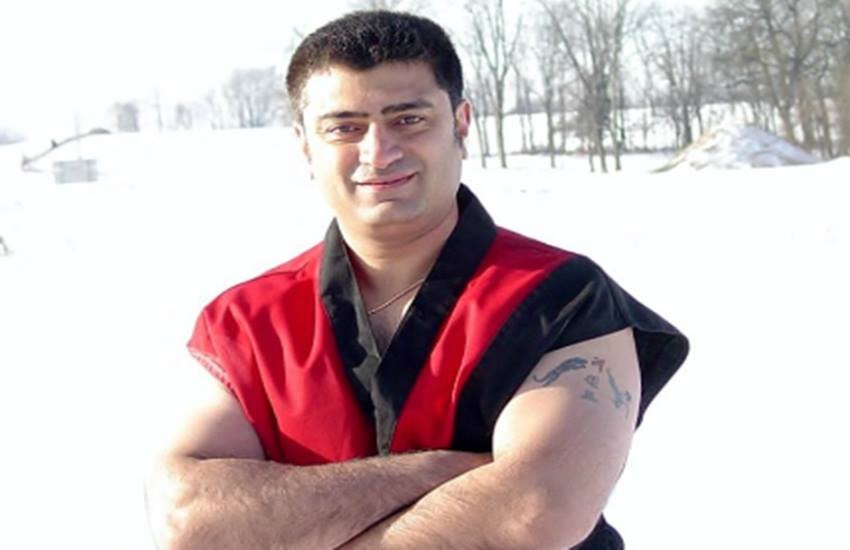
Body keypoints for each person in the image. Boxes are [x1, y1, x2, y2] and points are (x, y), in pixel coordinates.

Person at [144, 10, 688, 550]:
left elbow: (533, 514)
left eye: (408, 119)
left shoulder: (563, 298)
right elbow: (189, 523)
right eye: (344, 127)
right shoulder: (246, 321)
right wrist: (444, 471)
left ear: (461, 124)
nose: (379, 153)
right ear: (306, 144)